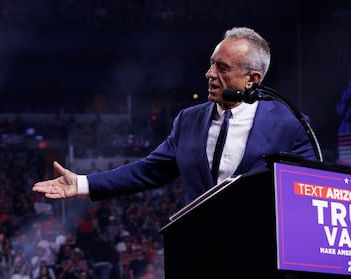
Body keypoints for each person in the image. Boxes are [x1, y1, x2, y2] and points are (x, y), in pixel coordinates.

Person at [32, 27, 315, 207]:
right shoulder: (188, 121)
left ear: (252, 79)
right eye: (211, 64)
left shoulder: (290, 124)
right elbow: (147, 171)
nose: (210, 74)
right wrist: (82, 183)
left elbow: (309, 193)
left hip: (261, 256)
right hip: (196, 250)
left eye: (223, 68)